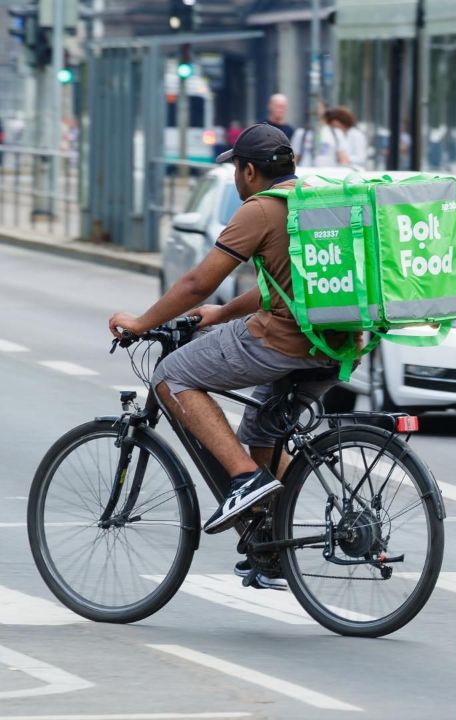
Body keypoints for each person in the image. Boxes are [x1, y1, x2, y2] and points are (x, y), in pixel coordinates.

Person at [107, 124, 354, 588]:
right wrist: (222, 313)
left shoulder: (259, 209)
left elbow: (196, 281)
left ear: (248, 170)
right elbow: (282, 286)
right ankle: (273, 549)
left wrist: (141, 322)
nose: (237, 177)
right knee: (262, 427)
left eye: (237, 168)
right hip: (334, 346)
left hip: (283, 342)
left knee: (171, 373)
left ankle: (245, 479)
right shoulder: (315, 203)